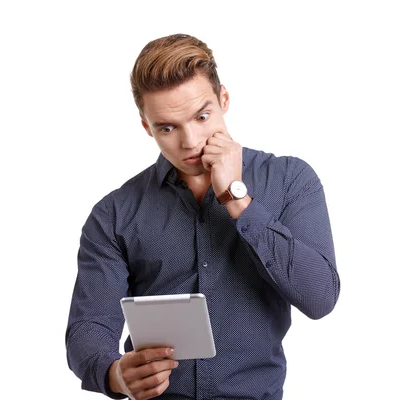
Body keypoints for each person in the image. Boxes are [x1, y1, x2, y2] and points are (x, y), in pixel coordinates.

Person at [65, 33, 340, 400]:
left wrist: (235, 198)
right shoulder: (114, 214)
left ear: (224, 99)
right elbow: (89, 326)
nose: (191, 141)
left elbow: (320, 296)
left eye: (202, 116)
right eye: (167, 127)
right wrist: (115, 374)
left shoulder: (290, 181)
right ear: (147, 126)